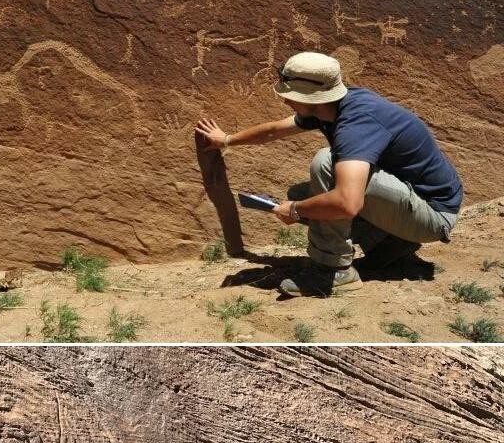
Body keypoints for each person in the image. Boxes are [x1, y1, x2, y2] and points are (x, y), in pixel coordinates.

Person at [195, 52, 463, 297]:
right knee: (307, 193)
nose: (284, 99)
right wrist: (227, 140)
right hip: (414, 202)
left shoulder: (355, 125)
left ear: (312, 97)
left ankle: (332, 273)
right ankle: (391, 244)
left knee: (325, 165)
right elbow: (274, 130)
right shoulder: (333, 107)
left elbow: (348, 202)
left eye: (290, 94)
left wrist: (297, 210)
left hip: (433, 215)